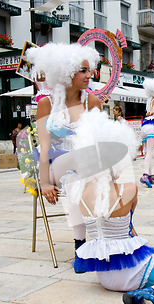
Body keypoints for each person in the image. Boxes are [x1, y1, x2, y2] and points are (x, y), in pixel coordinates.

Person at [52, 111, 154, 304]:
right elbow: (130, 229)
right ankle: (149, 292)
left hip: (105, 276)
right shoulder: (128, 189)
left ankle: (145, 291)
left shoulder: (77, 190)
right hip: (132, 271)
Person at [27, 42, 101, 272]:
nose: (90, 75)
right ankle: (81, 247)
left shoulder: (93, 102)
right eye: (83, 70)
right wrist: (45, 182)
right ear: (67, 73)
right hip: (55, 166)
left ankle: (102, 241)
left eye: (90, 70)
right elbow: (44, 146)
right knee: (75, 178)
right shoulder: (46, 104)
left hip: (85, 163)